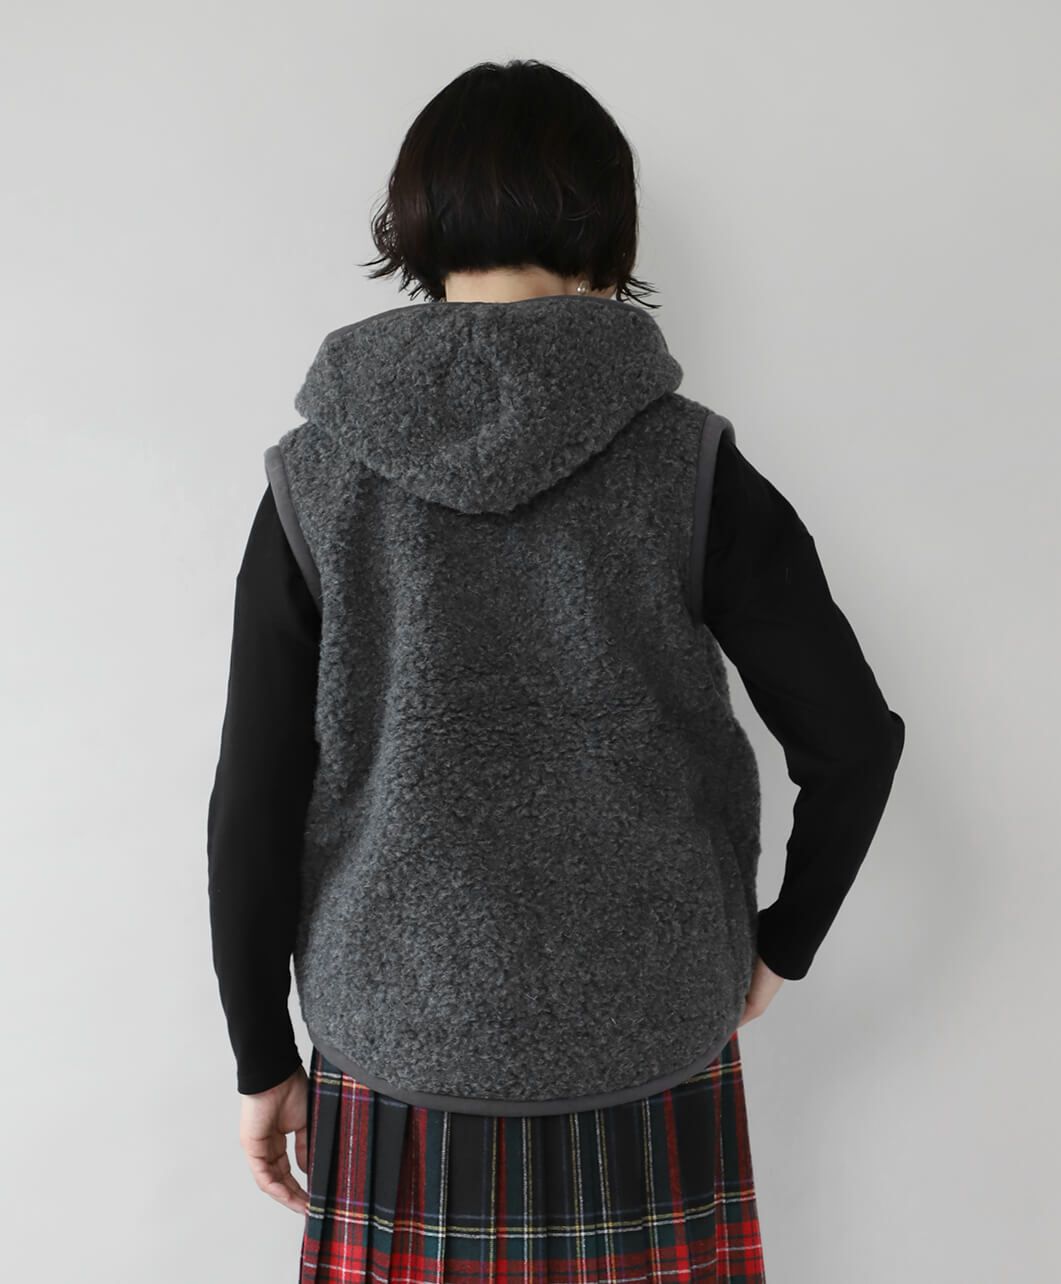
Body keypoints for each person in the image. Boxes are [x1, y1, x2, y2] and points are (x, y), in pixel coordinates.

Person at [207, 58, 905, 1284]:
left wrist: (262, 1057)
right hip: (648, 1033)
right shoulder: (689, 465)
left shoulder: (312, 481)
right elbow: (852, 739)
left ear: (414, 223)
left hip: (397, 1042)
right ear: (603, 224)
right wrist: (778, 947)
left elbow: (253, 796)